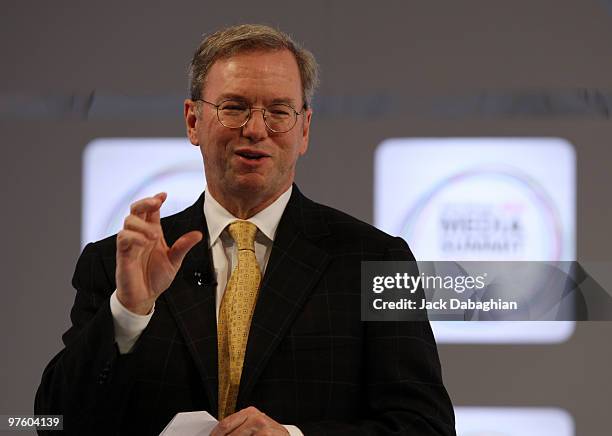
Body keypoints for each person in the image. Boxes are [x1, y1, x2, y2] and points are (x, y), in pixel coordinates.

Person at [35, 24, 456, 435]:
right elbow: (54, 424)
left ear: (304, 129)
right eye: (234, 107)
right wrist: (128, 312)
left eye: (278, 111)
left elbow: (425, 425)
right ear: (193, 120)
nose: (256, 129)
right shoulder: (115, 263)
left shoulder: (377, 259)